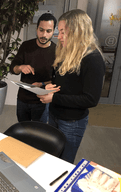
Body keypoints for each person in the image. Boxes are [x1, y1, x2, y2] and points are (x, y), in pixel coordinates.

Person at [37, 9, 106, 163]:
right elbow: (64, 84)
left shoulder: (92, 59)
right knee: (52, 158)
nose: (58, 36)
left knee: (63, 163)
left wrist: (54, 97)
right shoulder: (66, 52)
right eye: (59, 32)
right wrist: (51, 87)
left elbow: (90, 100)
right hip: (54, 114)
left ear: (77, 32)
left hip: (72, 122)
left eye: (63, 32)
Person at [10, 13, 57, 123]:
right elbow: (13, 68)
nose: (44, 35)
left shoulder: (57, 51)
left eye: (48, 31)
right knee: (22, 129)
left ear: (53, 31)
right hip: (23, 99)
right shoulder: (26, 46)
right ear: (36, 29)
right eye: (41, 30)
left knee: (38, 132)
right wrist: (21, 67)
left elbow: (57, 80)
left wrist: (42, 84)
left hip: (42, 100)